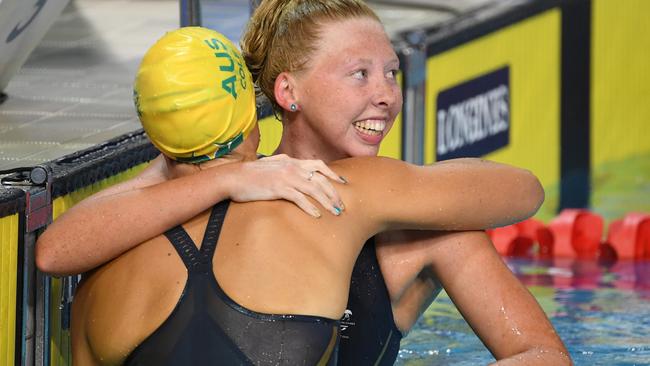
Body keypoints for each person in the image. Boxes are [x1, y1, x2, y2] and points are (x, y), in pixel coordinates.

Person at [38, 1, 571, 364]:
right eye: (359, 74)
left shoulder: (427, 224)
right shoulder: (197, 205)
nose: (386, 94)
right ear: (287, 92)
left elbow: (541, 354)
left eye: (391, 72)